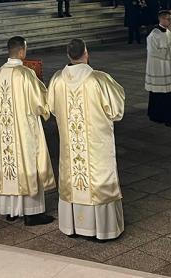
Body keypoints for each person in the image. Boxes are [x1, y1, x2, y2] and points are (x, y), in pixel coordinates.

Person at [47, 38, 125, 241]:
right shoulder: (99, 79)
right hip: (96, 145)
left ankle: (73, 226)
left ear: (68, 55)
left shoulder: (57, 79)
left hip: (70, 145)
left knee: (74, 180)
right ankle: (101, 230)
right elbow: (117, 110)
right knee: (97, 180)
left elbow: (52, 108)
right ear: (86, 53)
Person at [0, 36, 55, 225]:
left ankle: (12, 210)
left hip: (6, 132)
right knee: (28, 163)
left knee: (10, 166)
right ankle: (33, 213)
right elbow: (40, 104)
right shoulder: (26, 74)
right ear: (21, 52)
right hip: (25, 130)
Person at [145, 11, 171, 128]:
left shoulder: (168, 32)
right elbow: (153, 51)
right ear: (161, 19)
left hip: (166, 67)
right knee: (161, 93)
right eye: (167, 19)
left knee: (165, 92)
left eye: (170, 19)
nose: (169, 21)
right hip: (158, 68)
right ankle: (165, 118)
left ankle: (157, 115)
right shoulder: (154, 34)